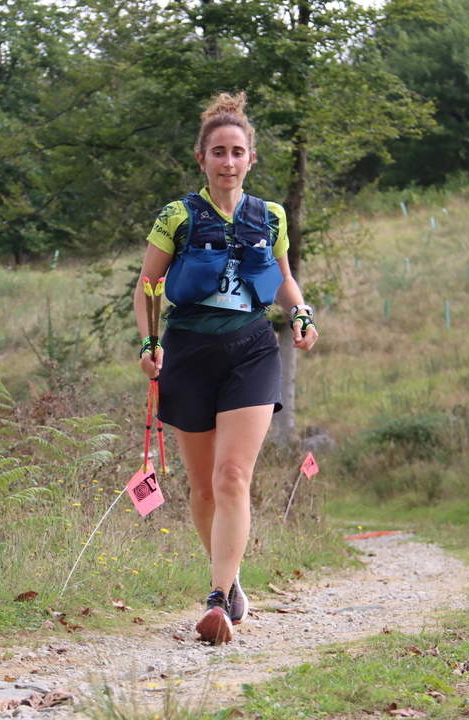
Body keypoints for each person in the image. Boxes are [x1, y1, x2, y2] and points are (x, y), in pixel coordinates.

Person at [134, 91, 319, 645]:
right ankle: (230, 578)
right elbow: (147, 286)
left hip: (251, 349)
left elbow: (283, 279)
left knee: (232, 475)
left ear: (251, 159)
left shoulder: (271, 216)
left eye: (238, 152)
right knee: (203, 490)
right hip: (188, 352)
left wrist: (301, 313)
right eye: (219, 152)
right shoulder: (177, 216)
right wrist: (148, 342)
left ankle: (217, 601)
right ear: (202, 159)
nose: (229, 162)